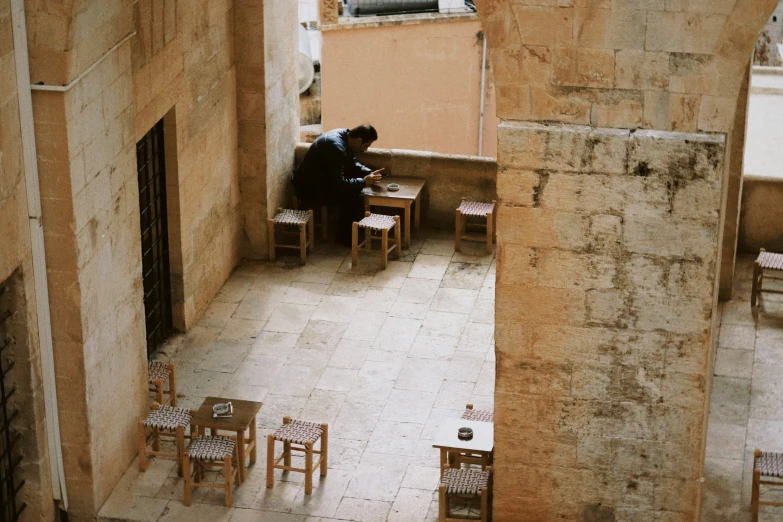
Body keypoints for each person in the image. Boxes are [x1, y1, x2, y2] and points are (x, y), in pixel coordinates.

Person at [292, 125, 384, 246]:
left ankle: (356, 227)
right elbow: (339, 183)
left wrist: (369, 172)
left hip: (321, 180)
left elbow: (352, 163)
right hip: (309, 188)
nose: (365, 150)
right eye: (365, 146)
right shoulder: (336, 147)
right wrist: (364, 182)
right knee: (350, 195)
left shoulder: (344, 135)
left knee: (354, 188)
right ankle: (345, 237)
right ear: (359, 140)